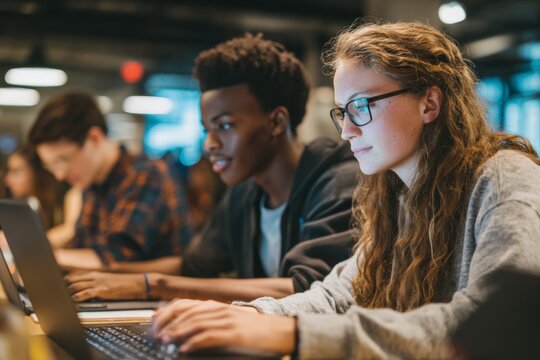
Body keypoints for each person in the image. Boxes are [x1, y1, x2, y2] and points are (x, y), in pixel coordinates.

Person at [150, 22, 540, 358]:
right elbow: (339, 294)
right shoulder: (398, 195)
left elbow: (489, 326)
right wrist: (254, 315)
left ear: (429, 103)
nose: (347, 131)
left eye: (360, 106)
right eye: (343, 112)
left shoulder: (503, 178)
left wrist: (294, 333)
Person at [64, 34, 358, 303]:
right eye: (207, 130)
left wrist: (151, 285)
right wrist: (103, 275)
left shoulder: (338, 183)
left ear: (276, 122)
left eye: (225, 126)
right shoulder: (245, 192)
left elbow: (307, 288)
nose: (210, 145)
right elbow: (193, 265)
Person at [28, 92, 190, 270]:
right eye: (50, 166)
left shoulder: (144, 174)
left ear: (94, 138)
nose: (59, 175)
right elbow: (82, 247)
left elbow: (116, 258)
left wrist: (40, 257)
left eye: (63, 160)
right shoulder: (92, 182)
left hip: (159, 296)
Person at [4, 145, 80, 248]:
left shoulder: (72, 194)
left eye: (16, 171)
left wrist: (19, 242)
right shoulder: (24, 204)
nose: (8, 180)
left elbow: (70, 231)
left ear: (37, 172)